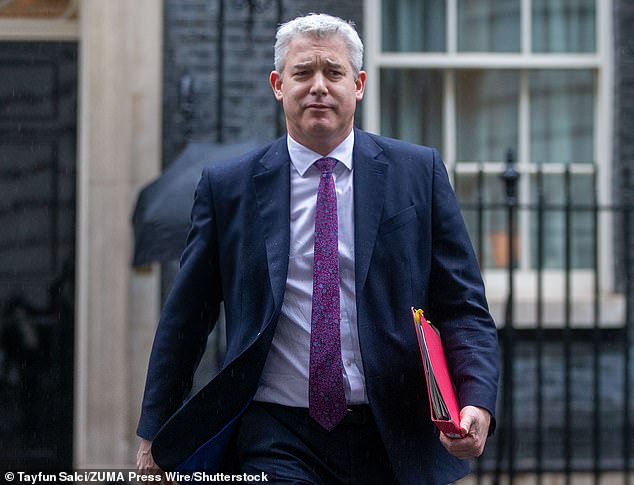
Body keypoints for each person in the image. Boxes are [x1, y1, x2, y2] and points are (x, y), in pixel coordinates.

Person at [136, 13, 499, 484]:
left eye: (334, 72)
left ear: (360, 84)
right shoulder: (229, 188)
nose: (319, 87)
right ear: (277, 85)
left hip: (393, 431)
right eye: (302, 73)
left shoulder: (418, 173)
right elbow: (186, 319)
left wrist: (476, 400)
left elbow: (463, 307)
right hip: (276, 431)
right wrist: (153, 433)